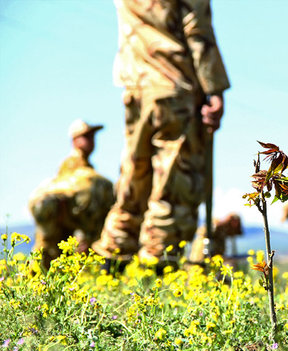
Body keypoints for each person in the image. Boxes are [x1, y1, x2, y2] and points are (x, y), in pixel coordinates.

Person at [93, 0, 230, 270]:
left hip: (135, 86)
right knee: (175, 187)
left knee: (134, 182)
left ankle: (109, 268)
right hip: (175, 88)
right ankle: (157, 275)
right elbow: (197, 29)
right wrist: (214, 89)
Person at [29, 119, 114, 268]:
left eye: (92, 136)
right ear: (74, 141)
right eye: (86, 136)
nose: (91, 140)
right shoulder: (74, 168)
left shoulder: (86, 169)